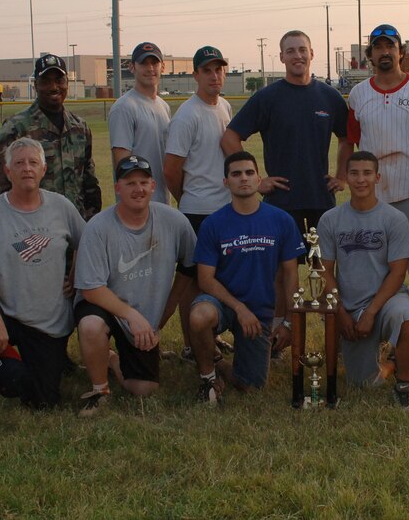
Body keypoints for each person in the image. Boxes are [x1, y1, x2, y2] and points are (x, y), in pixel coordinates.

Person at [0, 138, 86, 436]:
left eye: (33, 163)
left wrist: (75, 275)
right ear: (8, 171)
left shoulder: (61, 207)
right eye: (20, 163)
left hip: (47, 323)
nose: (27, 168)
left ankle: (5, 360)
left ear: (44, 170)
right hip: (4, 312)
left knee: (41, 399)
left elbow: (87, 243)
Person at [221, 30, 351, 344]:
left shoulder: (329, 97)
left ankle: (338, 333)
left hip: (320, 201)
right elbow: (230, 137)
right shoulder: (268, 97)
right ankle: (283, 331)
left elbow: (347, 137)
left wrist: (342, 175)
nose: (297, 56)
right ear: (281, 57)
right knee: (282, 272)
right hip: (281, 203)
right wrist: (256, 181)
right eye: (290, 51)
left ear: (312, 53)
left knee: (326, 270)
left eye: (302, 50)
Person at [346, 23, 409, 359]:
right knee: (378, 267)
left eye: (391, 46)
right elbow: (351, 141)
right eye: (378, 47)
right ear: (369, 54)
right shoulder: (359, 95)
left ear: (400, 51)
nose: (384, 52)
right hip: (374, 196)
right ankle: (387, 329)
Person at [73, 155, 196, 416]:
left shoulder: (174, 221)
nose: (137, 189)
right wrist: (131, 315)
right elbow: (91, 289)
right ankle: (99, 390)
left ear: (153, 186)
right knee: (91, 325)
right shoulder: (98, 228)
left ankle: (112, 358)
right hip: (104, 303)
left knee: (144, 388)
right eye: (129, 183)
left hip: (144, 315)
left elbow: (190, 266)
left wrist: (170, 305)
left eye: (143, 182)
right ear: (118, 188)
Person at [189, 151, 305, 404]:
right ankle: (208, 376)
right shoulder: (213, 224)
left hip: (259, 310)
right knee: (199, 315)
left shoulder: (281, 220)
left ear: (258, 178)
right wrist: (239, 307)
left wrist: (289, 321)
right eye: (236, 174)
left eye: (249, 173)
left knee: (251, 386)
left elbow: (290, 273)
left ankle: (221, 363)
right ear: (225, 182)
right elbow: (205, 280)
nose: (244, 178)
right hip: (224, 304)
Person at [318, 151, 409, 408]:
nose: (360, 179)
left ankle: (404, 386)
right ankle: (389, 364)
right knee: (363, 383)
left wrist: (372, 311)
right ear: (346, 178)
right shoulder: (330, 220)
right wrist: (339, 310)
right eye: (354, 173)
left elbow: (398, 272)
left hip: (386, 299)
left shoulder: (394, 219)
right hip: (349, 303)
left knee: (406, 320)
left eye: (366, 173)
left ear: (377, 177)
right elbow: (324, 271)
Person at [164, 45, 234, 362]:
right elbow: (171, 169)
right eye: (207, 70)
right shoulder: (187, 115)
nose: (214, 75)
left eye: (218, 69)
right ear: (195, 75)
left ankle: (208, 337)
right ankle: (192, 346)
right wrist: (188, 199)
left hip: (223, 208)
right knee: (191, 279)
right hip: (196, 211)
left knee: (215, 277)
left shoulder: (225, 107)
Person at [0, 53, 102, 221]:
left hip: (75, 225)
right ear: (36, 85)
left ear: (67, 84)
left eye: (59, 80)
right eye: (46, 81)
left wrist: (91, 226)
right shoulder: (15, 128)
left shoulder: (80, 128)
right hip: (34, 229)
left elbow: (89, 184)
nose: (54, 87)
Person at [109, 42, 172, 204]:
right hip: (137, 204)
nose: (150, 68)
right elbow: (122, 164)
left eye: (154, 63)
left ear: (163, 67)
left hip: (161, 201)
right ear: (132, 67)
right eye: (143, 63)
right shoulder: (124, 107)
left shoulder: (163, 106)